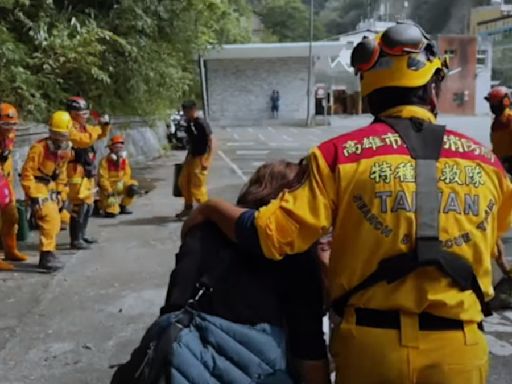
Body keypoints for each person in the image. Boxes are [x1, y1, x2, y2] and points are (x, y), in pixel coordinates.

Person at [183, 22, 512, 383]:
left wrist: (209, 208)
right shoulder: (487, 162)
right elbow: (494, 232)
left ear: (369, 91)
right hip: (459, 351)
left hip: (371, 349)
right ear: (432, 93)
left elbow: (268, 236)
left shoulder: (337, 155)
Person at [163, 160, 328, 383]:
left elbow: (174, 305)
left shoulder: (204, 230)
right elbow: (308, 348)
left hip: (189, 363)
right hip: (262, 370)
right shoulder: (294, 249)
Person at [21, 111, 72, 272]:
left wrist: (61, 194)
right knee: (50, 218)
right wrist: (34, 196)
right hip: (37, 187)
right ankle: (46, 255)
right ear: (50, 132)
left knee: (63, 219)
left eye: (62, 135)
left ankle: (49, 249)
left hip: (51, 187)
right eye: (56, 134)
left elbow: (62, 174)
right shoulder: (39, 148)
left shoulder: (65, 151)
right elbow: (27, 173)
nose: (59, 139)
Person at [66, 96, 110, 249]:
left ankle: (82, 235)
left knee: (89, 204)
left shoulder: (85, 127)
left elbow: (100, 134)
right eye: (82, 113)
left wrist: (104, 126)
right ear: (72, 113)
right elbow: (83, 140)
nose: (85, 116)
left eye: (86, 113)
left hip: (87, 169)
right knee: (79, 205)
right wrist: (98, 129)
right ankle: (75, 239)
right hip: (75, 170)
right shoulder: (69, 127)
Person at [0, 103, 29, 271]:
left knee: (12, 215)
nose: (9, 128)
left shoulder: (10, 135)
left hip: (6, 178)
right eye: (5, 124)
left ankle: (11, 250)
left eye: (13, 124)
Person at [175, 100, 212, 219]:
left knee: (197, 186)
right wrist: (187, 158)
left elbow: (211, 140)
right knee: (183, 181)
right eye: (184, 111)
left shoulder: (201, 123)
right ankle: (188, 207)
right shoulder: (188, 123)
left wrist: (207, 159)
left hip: (201, 156)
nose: (185, 113)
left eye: (187, 111)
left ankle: (207, 212)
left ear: (193, 110)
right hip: (191, 156)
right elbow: (191, 142)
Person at [98, 135, 139, 217]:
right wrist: (109, 190)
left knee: (132, 188)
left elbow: (127, 174)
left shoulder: (124, 160)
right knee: (111, 213)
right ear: (111, 148)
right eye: (116, 147)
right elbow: (102, 179)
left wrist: (122, 182)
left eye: (121, 147)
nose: (119, 150)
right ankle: (99, 204)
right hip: (109, 189)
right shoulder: (104, 161)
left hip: (120, 184)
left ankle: (123, 206)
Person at [486, 86, 512, 174]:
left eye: (495, 103)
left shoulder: (509, 119)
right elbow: (496, 146)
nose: (492, 106)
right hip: (499, 164)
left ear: (505, 102)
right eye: (491, 103)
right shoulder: (495, 123)